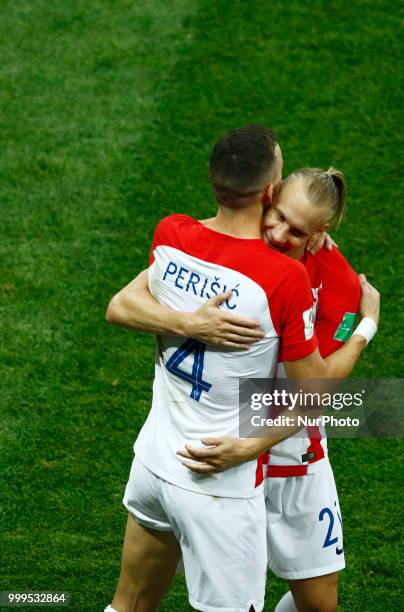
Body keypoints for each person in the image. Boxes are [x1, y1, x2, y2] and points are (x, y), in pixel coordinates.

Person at [105, 125, 379, 612]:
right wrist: (368, 326)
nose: (280, 233)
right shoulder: (283, 278)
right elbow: (314, 390)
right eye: (278, 217)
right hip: (221, 475)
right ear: (269, 193)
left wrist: (185, 320)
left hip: (167, 458)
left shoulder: (175, 236)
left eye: (297, 229)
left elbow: (121, 305)